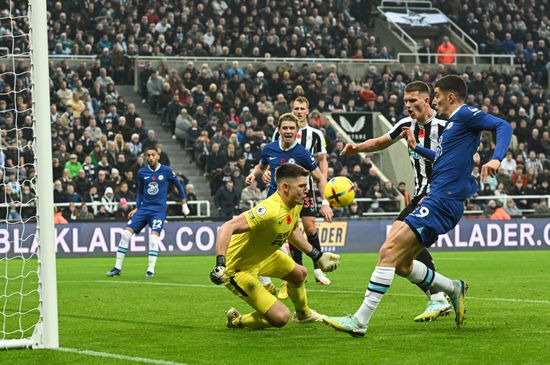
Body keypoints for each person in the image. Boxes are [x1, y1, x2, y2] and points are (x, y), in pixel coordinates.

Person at [324, 75, 512, 337]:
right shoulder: (446, 126)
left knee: (388, 249)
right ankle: (450, 288)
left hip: (439, 198)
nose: (434, 99)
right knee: (401, 263)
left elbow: (503, 126)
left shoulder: (463, 115)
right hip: (438, 197)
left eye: (435, 95)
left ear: (449, 97)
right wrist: (416, 149)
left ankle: (360, 320)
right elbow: (442, 156)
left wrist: (495, 159)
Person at [341, 81, 451, 322]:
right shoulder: (405, 125)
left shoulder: (446, 126)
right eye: (405, 101)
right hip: (421, 194)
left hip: (437, 195)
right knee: (403, 254)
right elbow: (381, 141)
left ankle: (362, 319)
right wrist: (356, 147)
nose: (409, 106)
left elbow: (465, 155)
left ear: (427, 99)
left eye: (413, 101)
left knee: (394, 247)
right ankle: (444, 293)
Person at [209, 163, 340, 329]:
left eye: (306, 186)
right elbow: (227, 227)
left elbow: (292, 232)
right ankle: (237, 321)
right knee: (280, 318)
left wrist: (316, 255)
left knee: (300, 273)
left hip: (263, 256)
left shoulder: (296, 202)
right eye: (301, 186)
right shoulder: (269, 210)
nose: (306, 190)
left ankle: (303, 314)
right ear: (285, 187)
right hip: (237, 268)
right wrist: (221, 264)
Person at [246, 112, 333, 296]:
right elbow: (261, 167)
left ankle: (287, 278)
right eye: (284, 128)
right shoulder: (269, 149)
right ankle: (272, 281)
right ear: (279, 130)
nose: (288, 131)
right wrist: (254, 174)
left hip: (291, 206)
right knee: (264, 237)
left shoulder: (302, 154)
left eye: (291, 128)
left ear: (297, 131)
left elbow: (319, 177)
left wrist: (325, 201)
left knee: (283, 237)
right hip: (271, 201)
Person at [272, 96, 333, 285]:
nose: (299, 111)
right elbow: (274, 154)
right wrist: (267, 172)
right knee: (293, 229)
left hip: (309, 189)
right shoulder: (280, 131)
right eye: (296, 108)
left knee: (310, 227)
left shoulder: (315, 134)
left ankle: (317, 268)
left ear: (307, 111)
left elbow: (322, 160)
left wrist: (325, 195)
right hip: (287, 191)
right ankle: (299, 270)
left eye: (302, 109)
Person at [106, 147, 190, 278]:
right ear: (146, 157)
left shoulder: (166, 171)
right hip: (144, 209)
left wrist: (184, 203)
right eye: (148, 155)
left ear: (158, 156)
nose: (150, 157)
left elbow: (179, 185)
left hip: (158, 210)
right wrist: (137, 207)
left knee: (153, 238)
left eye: (153, 155)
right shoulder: (142, 172)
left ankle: (150, 270)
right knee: (125, 235)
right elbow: (140, 191)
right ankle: (117, 268)